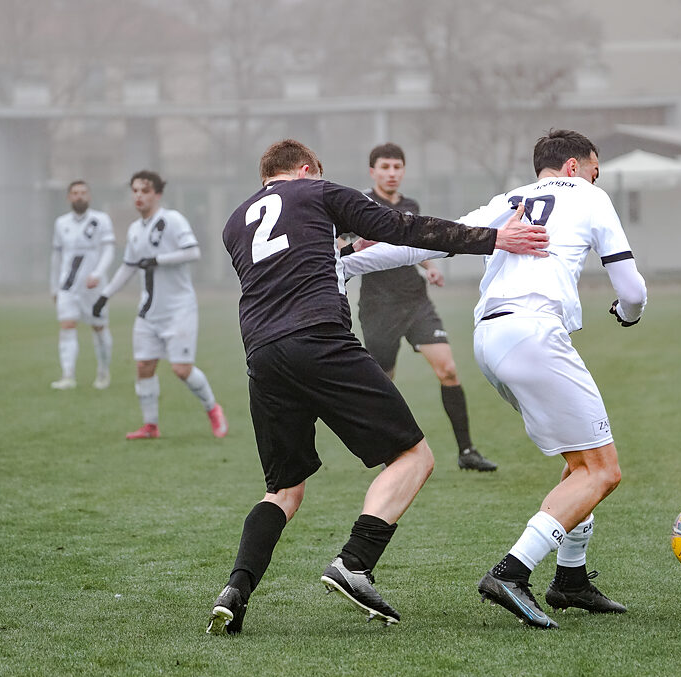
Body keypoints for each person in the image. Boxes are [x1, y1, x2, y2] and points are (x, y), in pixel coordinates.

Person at [206, 139, 549, 636]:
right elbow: (403, 227)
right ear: (306, 170)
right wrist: (495, 238)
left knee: (282, 490)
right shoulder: (317, 191)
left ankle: (235, 590)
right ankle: (355, 562)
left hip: (262, 355)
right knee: (414, 457)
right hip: (319, 340)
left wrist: (343, 249)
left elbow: (291, 263)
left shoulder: (234, 222)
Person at [342, 129, 646, 629]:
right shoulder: (591, 197)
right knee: (602, 470)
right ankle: (512, 572)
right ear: (575, 167)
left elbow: (424, 244)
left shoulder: (509, 200)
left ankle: (570, 579)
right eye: (596, 169)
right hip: (533, 334)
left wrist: (345, 262)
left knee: (580, 460)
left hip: (489, 339)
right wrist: (629, 314)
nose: (597, 178)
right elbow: (631, 290)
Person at [353, 143, 496, 472]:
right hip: (378, 307)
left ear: (404, 171)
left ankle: (467, 451)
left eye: (397, 167)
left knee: (448, 369)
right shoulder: (359, 206)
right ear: (372, 171)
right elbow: (342, 243)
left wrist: (429, 267)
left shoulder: (410, 206)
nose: (392, 173)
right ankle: (390, 453)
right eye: (385, 167)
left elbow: (415, 243)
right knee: (384, 383)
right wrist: (354, 246)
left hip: (415, 301)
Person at [93, 170, 228, 440]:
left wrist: (158, 260)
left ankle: (212, 408)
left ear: (157, 194)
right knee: (144, 366)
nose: (139, 196)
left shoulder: (172, 220)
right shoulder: (135, 229)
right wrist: (105, 295)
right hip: (148, 310)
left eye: (145, 191)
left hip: (179, 309)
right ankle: (151, 426)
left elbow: (193, 252)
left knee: (181, 370)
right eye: (135, 191)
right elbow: (129, 266)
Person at [49, 180, 115, 390]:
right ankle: (68, 376)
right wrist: (54, 286)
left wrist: (97, 273)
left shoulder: (101, 220)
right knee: (67, 326)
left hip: (94, 287)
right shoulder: (61, 223)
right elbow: (57, 257)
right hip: (68, 287)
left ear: (90, 196)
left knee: (99, 327)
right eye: (75, 193)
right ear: (69, 197)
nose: (79, 196)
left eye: (83, 192)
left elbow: (109, 250)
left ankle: (103, 372)